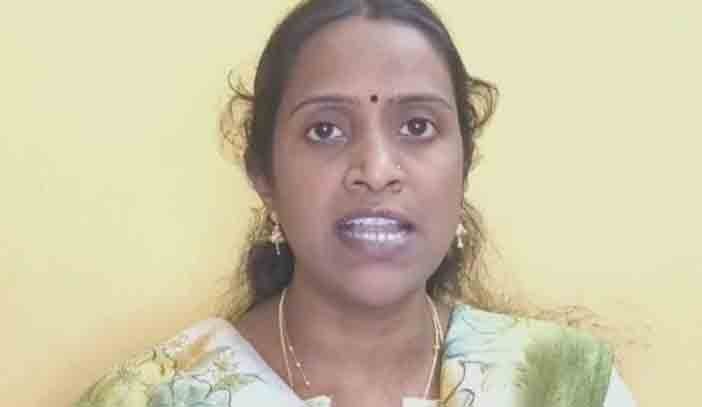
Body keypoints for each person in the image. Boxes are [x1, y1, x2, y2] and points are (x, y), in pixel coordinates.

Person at [73, 1, 637, 406]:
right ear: (264, 174)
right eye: (325, 131)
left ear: (464, 166)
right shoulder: (154, 396)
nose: (376, 170)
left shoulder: (564, 386)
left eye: (417, 126)